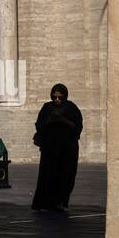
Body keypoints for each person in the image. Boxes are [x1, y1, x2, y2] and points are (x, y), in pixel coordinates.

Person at [31, 83, 83, 212]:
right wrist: (50, 120)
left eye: (60, 97)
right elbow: (39, 125)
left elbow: (77, 127)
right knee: (47, 175)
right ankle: (45, 203)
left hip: (67, 149)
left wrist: (63, 120)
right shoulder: (47, 107)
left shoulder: (71, 108)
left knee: (66, 175)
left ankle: (61, 202)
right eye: (55, 97)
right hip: (50, 149)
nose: (57, 100)